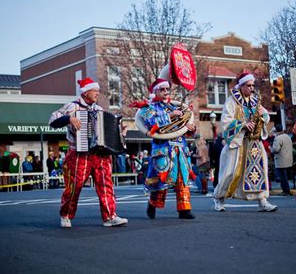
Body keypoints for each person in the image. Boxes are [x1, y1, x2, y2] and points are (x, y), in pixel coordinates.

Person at [49, 77, 128, 228]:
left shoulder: (99, 110)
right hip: (79, 154)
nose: (98, 93)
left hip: (100, 154)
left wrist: (120, 134)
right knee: (74, 187)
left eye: (98, 90)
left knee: (106, 185)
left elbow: (107, 135)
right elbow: (53, 120)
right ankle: (66, 214)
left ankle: (110, 216)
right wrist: (69, 119)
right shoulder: (73, 107)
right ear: (85, 92)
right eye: (95, 90)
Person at [213, 72, 278, 213]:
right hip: (237, 142)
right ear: (241, 86)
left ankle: (262, 200)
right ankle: (219, 198)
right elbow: (225, 122)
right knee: (230, 171)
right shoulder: (231, 101)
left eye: (253, 85)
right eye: (248, 85)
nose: (251, 88)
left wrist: (264, 115)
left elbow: (266, 116)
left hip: (254, 142)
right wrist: (242, 124)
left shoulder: (255, 101)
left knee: (260, 171)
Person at [136, 78, 196, 220]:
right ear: (155, 91)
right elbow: (151, 124)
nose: (165, 92)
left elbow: (182, 126)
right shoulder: (149, 108)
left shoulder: (174, 106)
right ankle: (152, 203)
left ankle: (184, 209)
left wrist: (190, 128)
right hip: (163, 148)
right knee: (161, 179)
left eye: (167, 89)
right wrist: (170, 115)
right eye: (162, 89)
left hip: (180, 147)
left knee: (183, 178)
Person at [270, 124, 293, 196]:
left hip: (281, 160)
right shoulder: (287, 136)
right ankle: (286, 190)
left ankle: (286, 191)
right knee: (284, 176)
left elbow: (275, 149)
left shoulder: (278, 138)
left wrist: (270, 149)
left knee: (283, 177)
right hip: (288, 159)